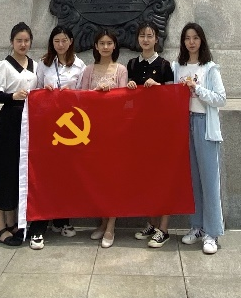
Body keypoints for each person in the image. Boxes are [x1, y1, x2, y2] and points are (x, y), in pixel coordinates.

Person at [26, 25, 85, 250]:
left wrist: (72, 96)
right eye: (56, 41)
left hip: (71, 128)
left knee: (66, 175)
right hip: (47, 126)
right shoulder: (44, 64)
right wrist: (46, 92)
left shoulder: (80, 65)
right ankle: (38, 226)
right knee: (45, 174)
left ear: (71, 41)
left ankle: (62, 219)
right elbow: (34, 91)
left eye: (64, 40)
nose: (60, 44)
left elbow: (84, 96)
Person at [0, 23, 38, 246]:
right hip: (10, 121)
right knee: (2, 171)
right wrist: (13, 96)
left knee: (19, 171)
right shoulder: (3, 66)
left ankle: (14, 223)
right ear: (12, 42)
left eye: (26, 40)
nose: (23, 44)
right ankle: (0, 228)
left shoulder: (35, 65)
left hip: (29, 121)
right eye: (19, 40)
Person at [173, 22, 226, 255]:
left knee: (209, 180)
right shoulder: (177, 66)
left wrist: (197, 88)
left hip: (205, 124)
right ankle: (197, 226)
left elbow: (221, 98)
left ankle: (212, 232)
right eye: (187, 38)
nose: (191, 42)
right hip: (185, 124)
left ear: (201, 40)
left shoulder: (210, 68)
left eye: (195, 38)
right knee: (193, 180)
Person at [126, 22, 175, 248]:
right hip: (139, 130)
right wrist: (129, 88)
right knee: (146, 178)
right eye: (142, 36)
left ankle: (163, 228)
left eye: (150, 36)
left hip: (160, 130)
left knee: (162, 178)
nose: (146, 40)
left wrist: (159, 88)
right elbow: (127, 102)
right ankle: (152, 223)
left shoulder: (164, 65)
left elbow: (173, 98)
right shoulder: (132, 64)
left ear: (156, 39)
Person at [78, 27, 128, 248]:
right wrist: (95, 93)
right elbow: (80, 98)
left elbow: (125, 100)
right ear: (96, 46)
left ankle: (111, 226)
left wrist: (111, 94)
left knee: (113, 179)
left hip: (114, 132)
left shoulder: (121, 70)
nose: (105, 47)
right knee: (97, 178)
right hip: (92, 132)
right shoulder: (88, 70)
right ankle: (102, 221)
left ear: (114, 46)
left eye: (109, 43)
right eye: (102, 43)